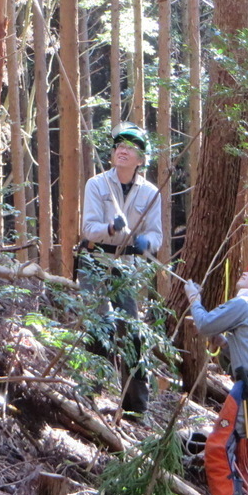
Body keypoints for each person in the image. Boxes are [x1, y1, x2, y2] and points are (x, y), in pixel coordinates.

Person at [77, 122, 163, 419]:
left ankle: (136, 408)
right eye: (119, 146)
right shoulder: (97, 184)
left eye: (131, 148)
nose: (123, 151)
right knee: (100, 327)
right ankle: (87, 397)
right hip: (94, 261)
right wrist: (110, 229)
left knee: (133, 332)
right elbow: (88, 229)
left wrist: (145, 242)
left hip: (125, 266)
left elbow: (157, 235)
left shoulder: (151, 192)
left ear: (141, 159)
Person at [184, 263, 248, 495]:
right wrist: (224, 344)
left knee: (219, 445)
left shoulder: (244, 304)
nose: (246, 271)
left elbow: (204, 324)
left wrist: (194, 298)